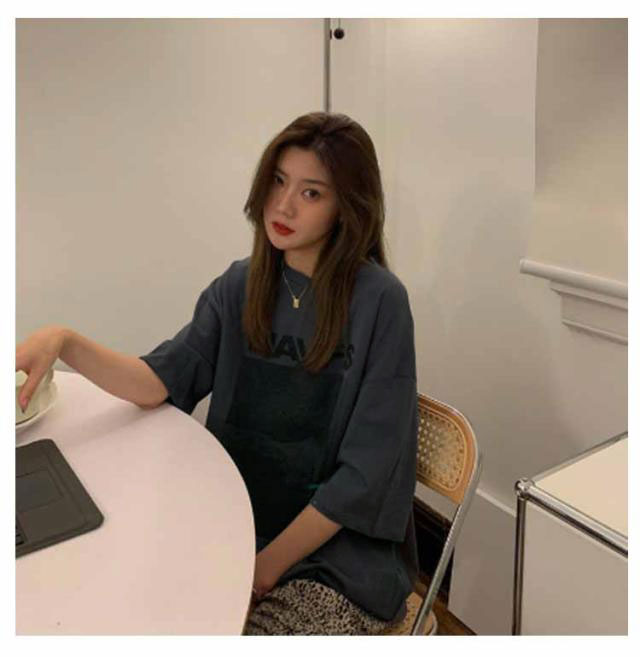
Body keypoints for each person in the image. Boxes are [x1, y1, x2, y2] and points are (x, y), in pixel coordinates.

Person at [16, 111, 419, 635]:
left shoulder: (380, 302)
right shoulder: (241, 285)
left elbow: (364, 478)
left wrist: (264, 568)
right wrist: (65, 341)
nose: (283, 205)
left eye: (311, 193)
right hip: (234, 519)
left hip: (336, 557)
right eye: (278, 181)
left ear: (347, 206)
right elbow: (158, 380)